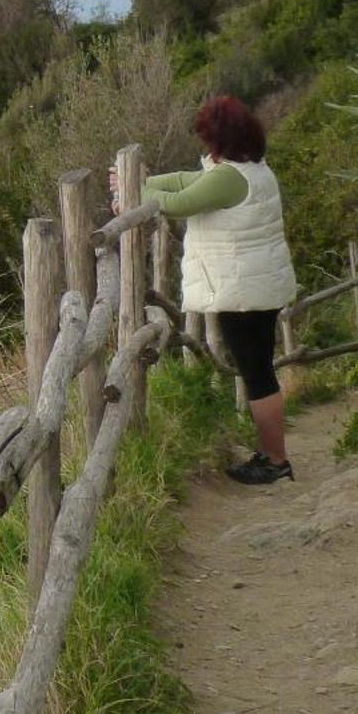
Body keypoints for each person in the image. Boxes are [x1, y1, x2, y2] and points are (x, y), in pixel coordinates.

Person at [121, 96, 300, 485]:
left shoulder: (228, 178)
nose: (206, 148)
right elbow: (189, 180)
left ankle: (275, 459)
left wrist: (134, 194)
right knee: (260, 370)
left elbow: (181, 201)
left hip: (243, 293)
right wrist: (141, 181)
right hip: (258, 286)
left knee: (257, 374)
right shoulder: (252, 169)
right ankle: (272, 454)